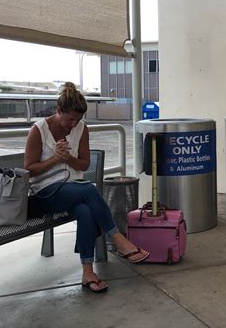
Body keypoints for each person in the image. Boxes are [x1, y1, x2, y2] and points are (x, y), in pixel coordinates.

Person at [24, 82, 148, 293]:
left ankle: (87, 272)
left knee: (85, 212)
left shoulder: (81, 128)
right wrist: (56, 159)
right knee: (89, 190)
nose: (73, 124)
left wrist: (68, 157)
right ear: (59, 111)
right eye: (70, 118)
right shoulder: (39, 130)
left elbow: (83, 164)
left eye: (78, 119)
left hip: (73, 189)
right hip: (45, 192)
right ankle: (118, 239)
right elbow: (29, 169)